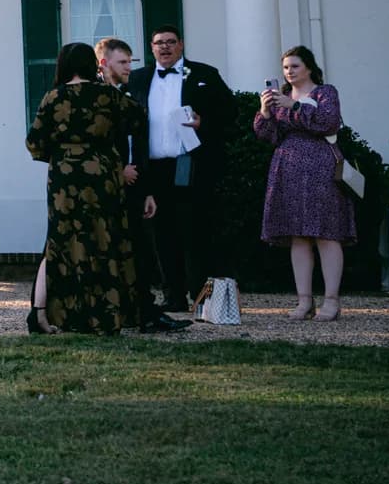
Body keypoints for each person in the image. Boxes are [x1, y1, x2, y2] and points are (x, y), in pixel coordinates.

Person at [25, 43, 147, 335]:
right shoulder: (108, 96)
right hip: (103, 172)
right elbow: (138, 119)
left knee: (61, 242)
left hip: (65, 176)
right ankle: (107, 315)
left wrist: (61, 154)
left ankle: (44, 315)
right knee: (105, 237)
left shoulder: (53, 97)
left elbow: (34, 142)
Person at [126, 25, 234, 316]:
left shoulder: (204, 75)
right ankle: (173, 296)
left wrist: (204, 122)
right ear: (151, 48)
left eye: (170, 42)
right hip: (153, 168)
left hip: (190, 164)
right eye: (159, 43)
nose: (165, 47)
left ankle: (203, 299)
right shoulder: (138, 78)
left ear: (181, 45)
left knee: (195, 230)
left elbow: (231, 112)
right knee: (161, 234)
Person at [256, 46, 353, 322]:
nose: (289, 72)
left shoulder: (325, 92)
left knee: (325, 232)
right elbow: (266, 136)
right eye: (286, 67)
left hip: (321, 167)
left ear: (308, 67)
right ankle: (304, 301)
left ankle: (331, 300)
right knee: (298, 235)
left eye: (295, 66)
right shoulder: (280, 97)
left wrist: (295, 106)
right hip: (287, 169)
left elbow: (329, 123)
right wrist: (265, 112)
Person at [97, 36, 168, 328]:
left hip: (135, 185)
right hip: (108, 187)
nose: (129, 67)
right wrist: (118, 169)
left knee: (140, 251)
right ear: (104, 63)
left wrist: (146, 189)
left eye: (130, 61)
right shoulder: (95, 98)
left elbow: (138, 142)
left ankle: (144, 313)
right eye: (123, 62)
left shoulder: (129, 95)